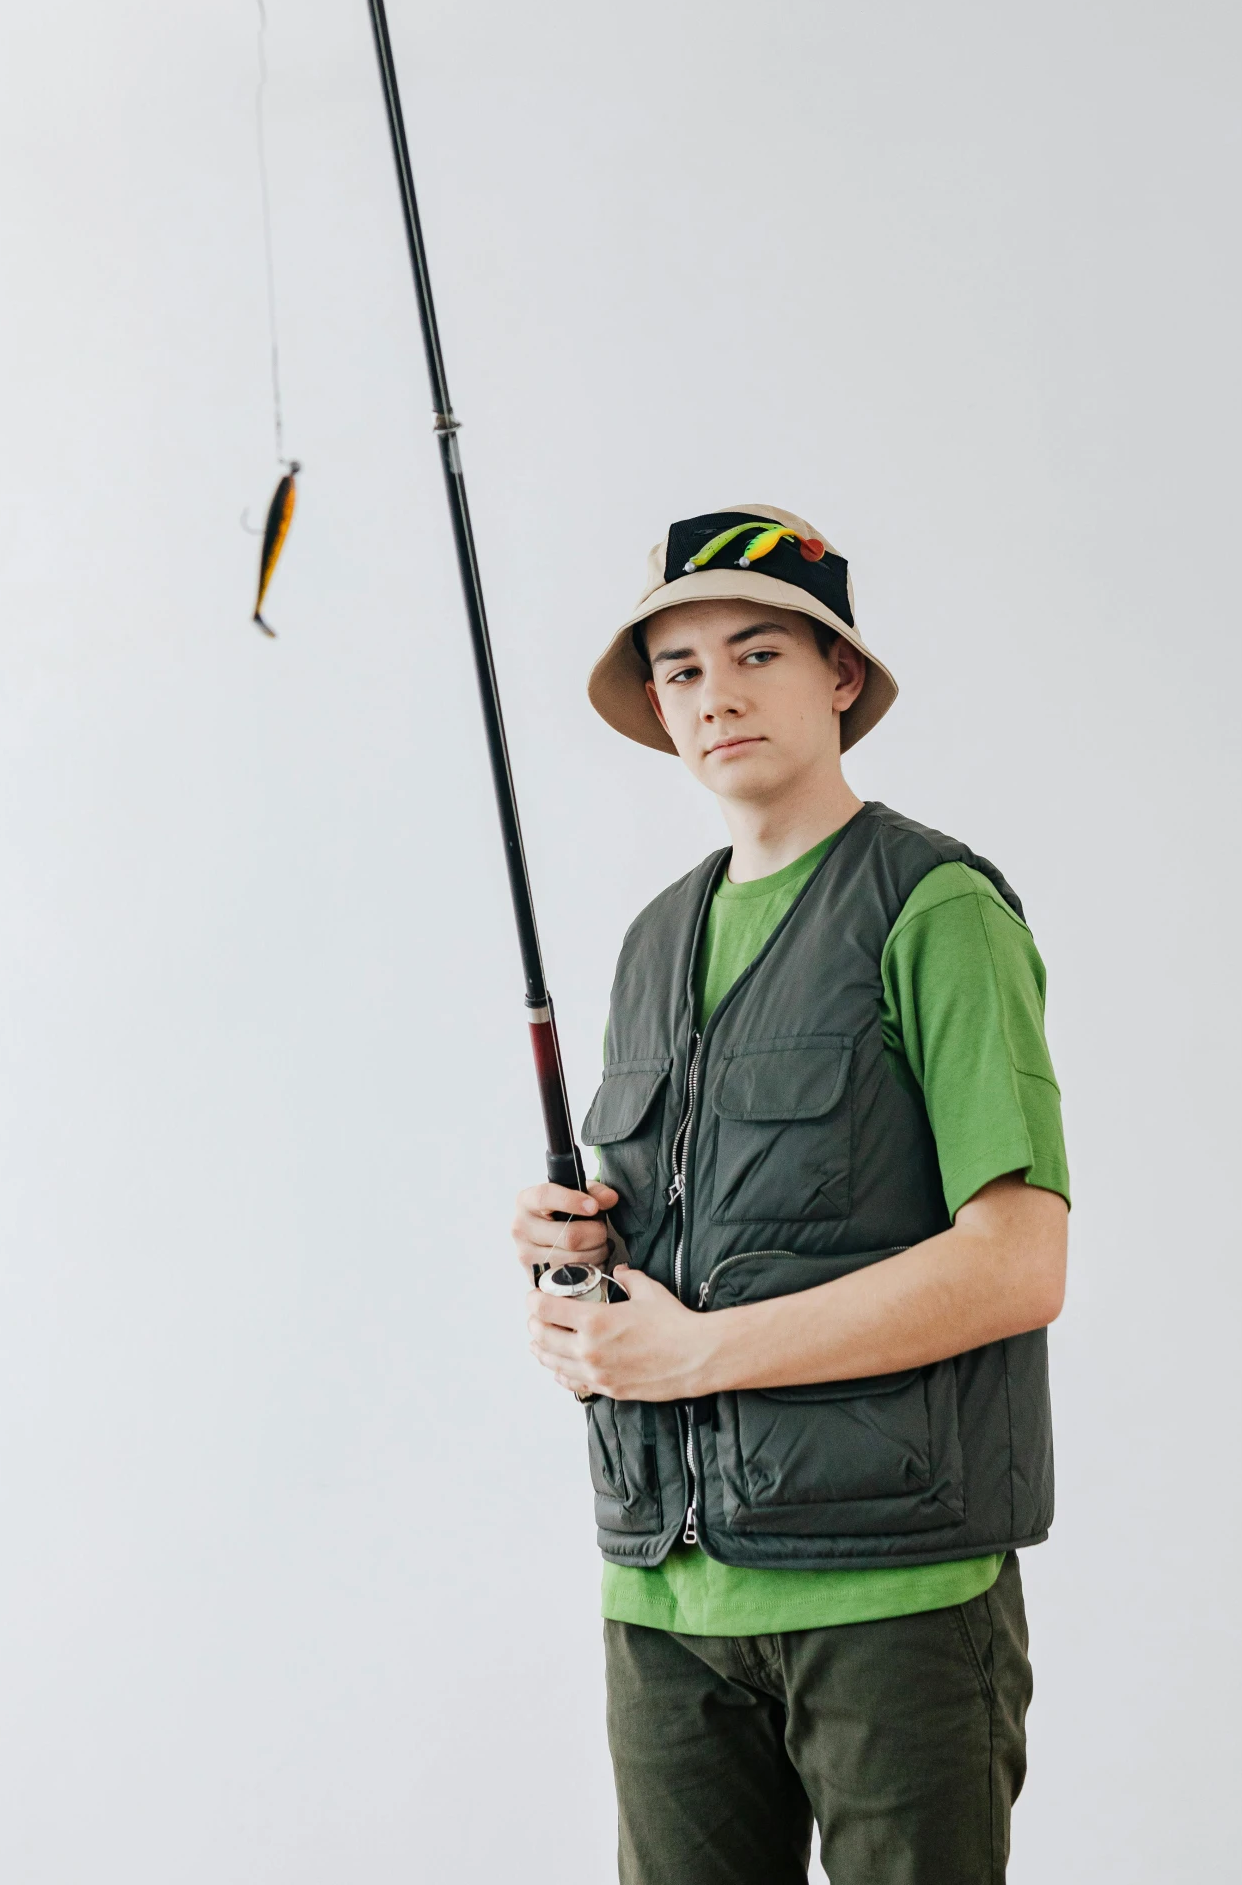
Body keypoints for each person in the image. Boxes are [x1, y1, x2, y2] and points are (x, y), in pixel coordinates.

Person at [512, 504, 1069, 1885]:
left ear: (836, 675)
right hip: (661, 1596)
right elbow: (688, 1228)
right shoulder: (654, 937)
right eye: (681, 668)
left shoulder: (933, 906)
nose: (717, 694)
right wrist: (565, 1269)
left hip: (891, 1599)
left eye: (756, 651)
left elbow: (1017, 1260)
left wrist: (697, 1350)